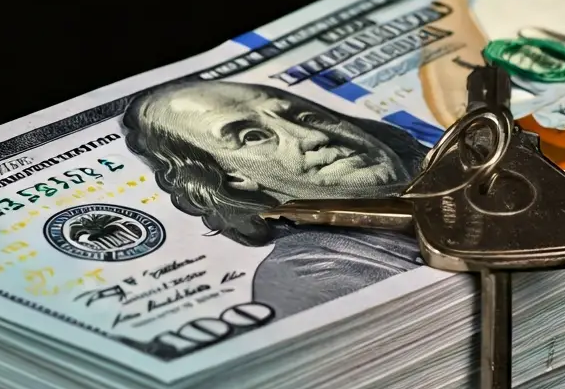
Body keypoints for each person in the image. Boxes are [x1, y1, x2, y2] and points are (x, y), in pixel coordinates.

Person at [119, 80, 429, 318]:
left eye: (306, 116)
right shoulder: (317, 275)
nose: (313, 138)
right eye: (252, 136)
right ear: (231, 177)